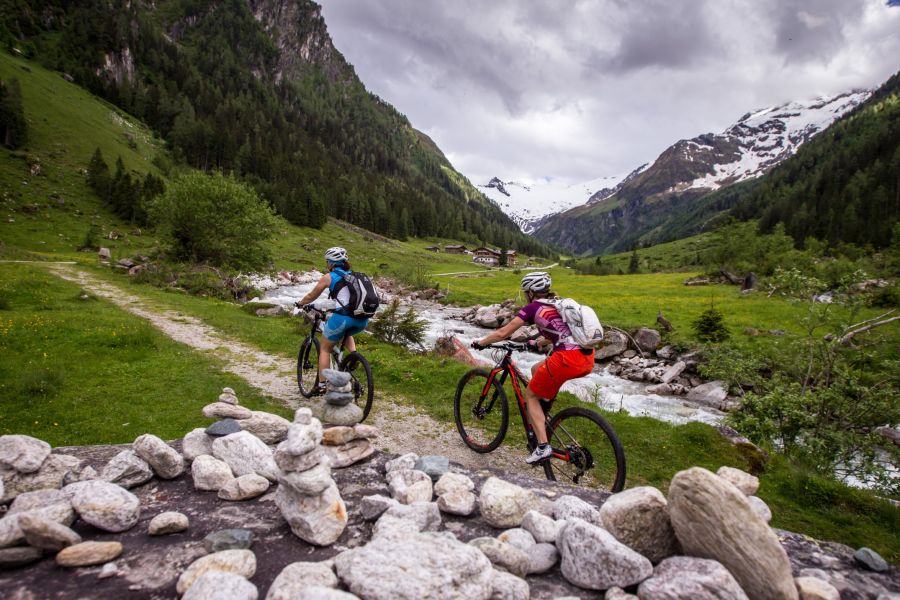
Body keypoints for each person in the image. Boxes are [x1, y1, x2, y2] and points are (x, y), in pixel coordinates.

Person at [473, 272, 595, 464]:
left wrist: (481, 342)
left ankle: (543, 447)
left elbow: (504, 332)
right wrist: (538, 343)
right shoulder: (557, 303)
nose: (525, 295)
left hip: (565, 359)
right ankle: (543, 410)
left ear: (531, 292)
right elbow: (563, 332)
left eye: (525, 292)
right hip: (586, 358)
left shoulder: (533, 308)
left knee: (530, 396)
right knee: (537, 368)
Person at [295, 247, 370, 395]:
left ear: (331, 262)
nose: (326, 264)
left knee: (324, 348)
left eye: (327, 262)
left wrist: (300, 303)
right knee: (346, 331)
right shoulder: (353, 276)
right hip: (362, 320)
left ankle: (321, 385)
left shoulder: (329, 276)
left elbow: (312, 295)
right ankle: (353, 356)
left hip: (343, 319)